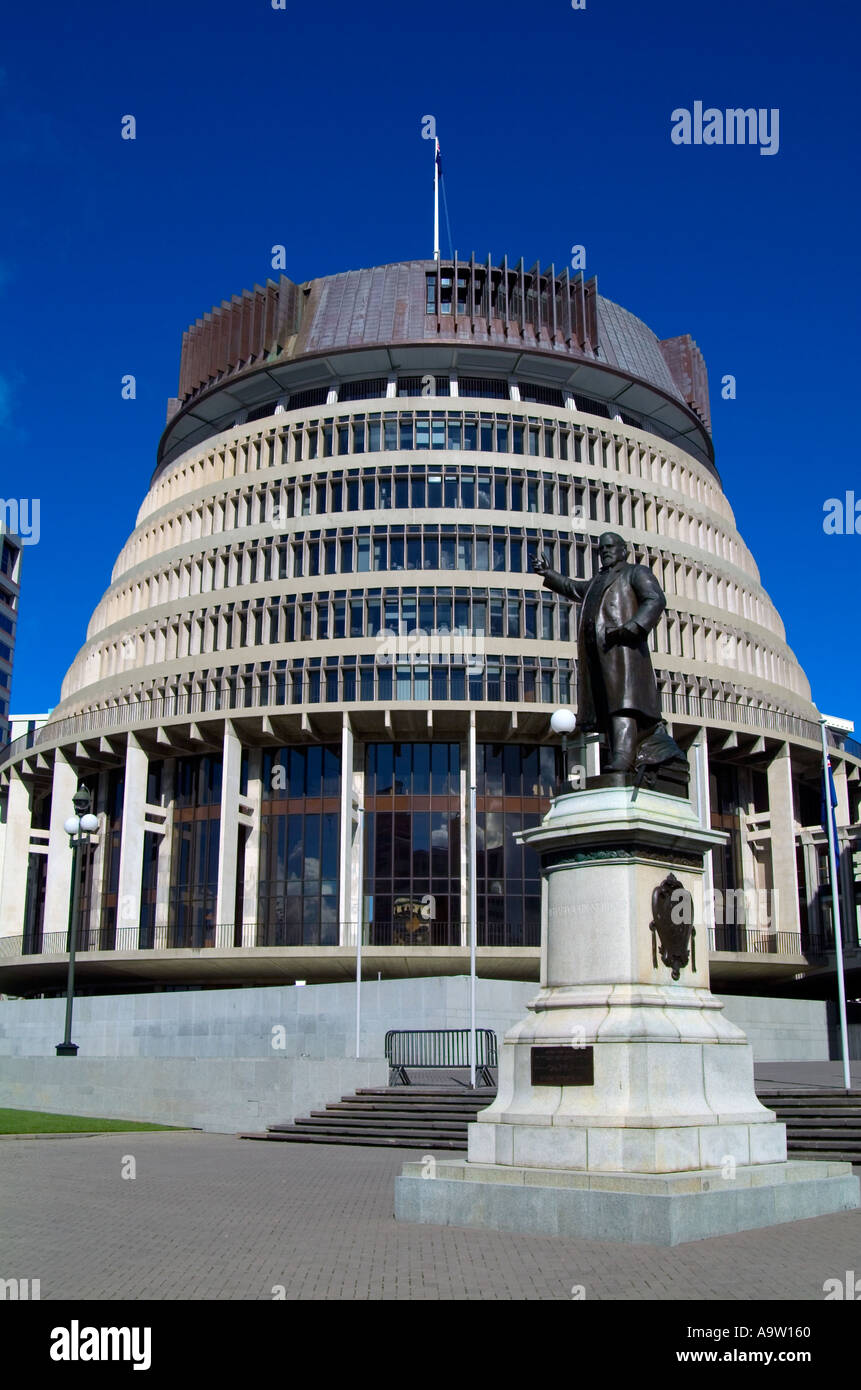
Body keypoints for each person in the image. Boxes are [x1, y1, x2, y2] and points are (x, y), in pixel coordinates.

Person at [533, 531, 685, 774]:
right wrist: (548, 574)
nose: (605, 551)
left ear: (623, 550)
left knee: (623, 703)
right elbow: (573, 587)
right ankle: (622, 755)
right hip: (600, 656)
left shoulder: (635, 573)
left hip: (624, 652)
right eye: (602, 548)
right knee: (608, 705)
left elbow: (655, 600)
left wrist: (632, 628)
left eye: (610, 546)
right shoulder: (596, 581)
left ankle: (624, 757)